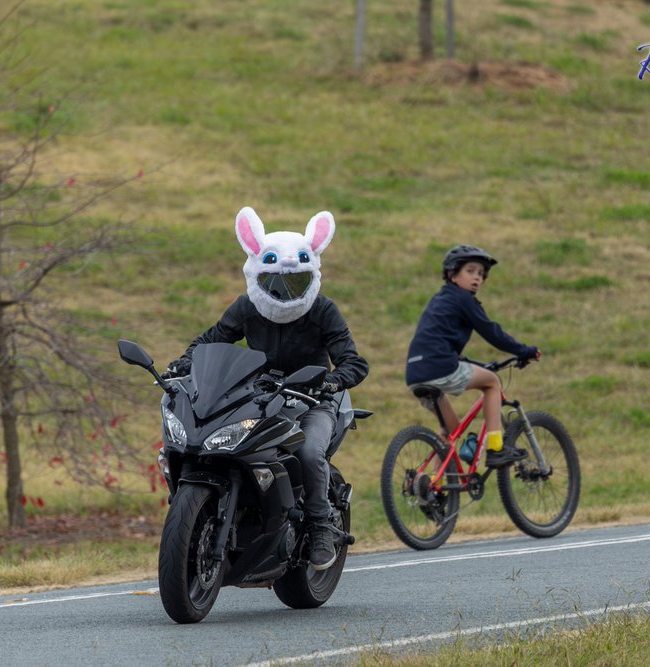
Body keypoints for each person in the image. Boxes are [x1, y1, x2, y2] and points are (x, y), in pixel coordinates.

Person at [166, 207, 368, 571]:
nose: (283, 291)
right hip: (261, 395)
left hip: (314, 399)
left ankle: (321, 526)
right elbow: (211, 340)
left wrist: (332, 382)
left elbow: (354, 362)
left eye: (294, 284)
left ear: (311, 277)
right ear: (258, 275)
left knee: (307, 452)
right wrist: (184, 364)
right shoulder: (247, 307)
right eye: (275, 283)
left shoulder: (323, 310)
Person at [405, 245, 540, 468]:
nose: (477, 278)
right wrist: (523, 350)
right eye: (470, 271)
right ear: (452, 274)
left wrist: (465, 362)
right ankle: (496, 448)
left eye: (481, 274)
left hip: (416, 373)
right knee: (492, 383)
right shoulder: (463, 299)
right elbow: (492, 333)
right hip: (440, 368)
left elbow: (436, 342)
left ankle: (431, 486)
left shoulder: (440, 300)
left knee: (450, 430)